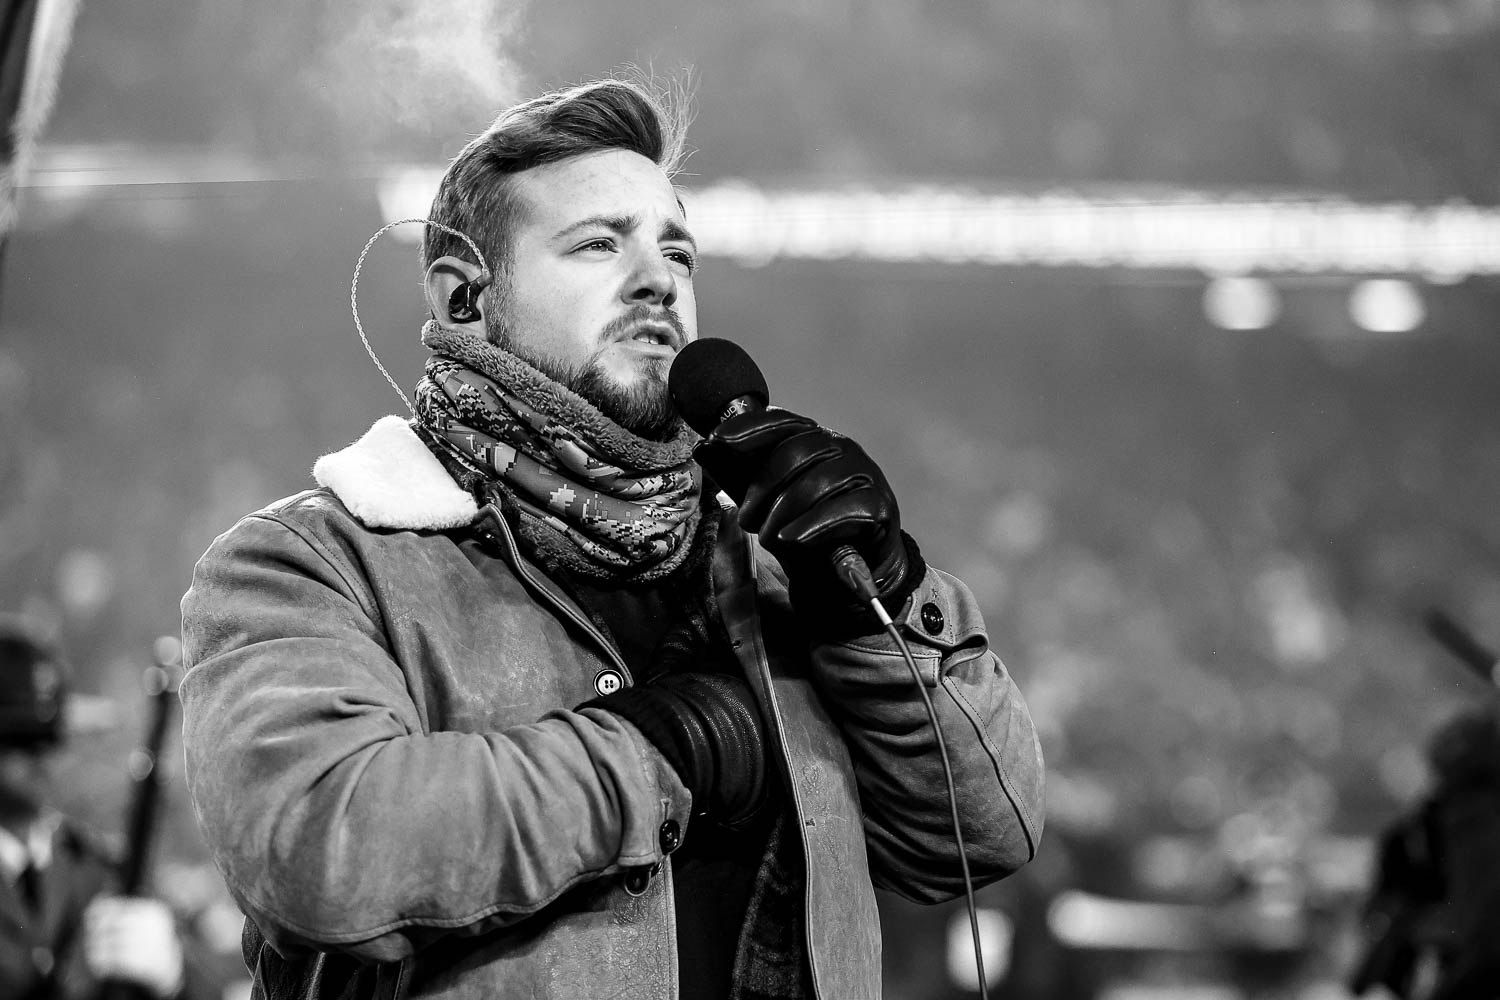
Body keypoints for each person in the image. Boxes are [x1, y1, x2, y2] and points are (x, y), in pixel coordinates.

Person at [178, 78, 1045, 1000]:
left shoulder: (772, 572)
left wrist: (876, 603)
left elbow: (980, 834)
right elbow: (321, 854)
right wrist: (670, 747)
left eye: (677, 250)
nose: (659, 279)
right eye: (599, 243)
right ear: (466, 299)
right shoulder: (310, 565)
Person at [0, 618, 200, 999]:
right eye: (23, 740)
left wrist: (175, 978)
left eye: (52, 739)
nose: (43, 758)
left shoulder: (98, 867)